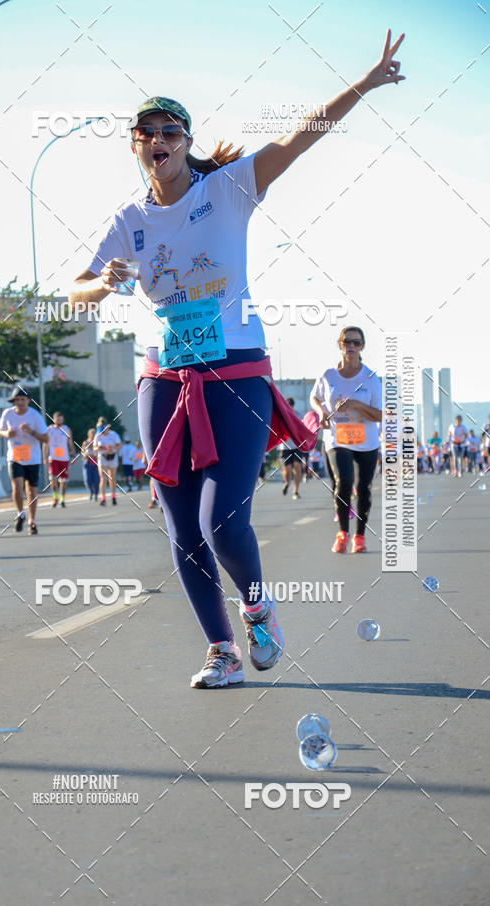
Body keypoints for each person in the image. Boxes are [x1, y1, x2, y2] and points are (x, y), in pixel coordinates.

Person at [68, 32, 405, 687]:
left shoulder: (227, 190)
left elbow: (304, 135)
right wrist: (100, 282)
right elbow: (75, 294)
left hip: (237, 371)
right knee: (179, 523)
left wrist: (366, 82)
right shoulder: (127, 220)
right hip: (163, 378)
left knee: (220, 519)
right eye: (146, 131)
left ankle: (257, 606)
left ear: (186, 142)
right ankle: (221, 649)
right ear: (135, 146)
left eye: (170, 129)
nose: (158, 138)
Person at [311, 326, 383, 553]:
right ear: (340, 344)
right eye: (347, 341)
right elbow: (314, 397)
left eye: (356, 342)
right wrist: (321, 412)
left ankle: (360, 536)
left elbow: (380, 414)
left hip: (367, 441)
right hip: (336, 438)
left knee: (364, 488)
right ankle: (342, 533)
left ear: (362, 347)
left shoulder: (370, 378)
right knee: (344, 482)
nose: (351, 346)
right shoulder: (328, 375)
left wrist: (356, 405)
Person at [0, 386, 48, 535]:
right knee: (16, 486)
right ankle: (20, 513)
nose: (20, 402)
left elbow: (46, 438)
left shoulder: (35, 416)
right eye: (17, 400)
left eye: (22, 399)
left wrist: (31, 432)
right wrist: (7, 433)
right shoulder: (8, 413)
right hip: (15, 456)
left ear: (28, 401)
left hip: (33, 457)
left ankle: (32, 521)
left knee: (32, 491)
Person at [44, 411, 75, 508]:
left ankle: (62, 499)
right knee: (53, 479)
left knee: (63, 481)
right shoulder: (49, 429)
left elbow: (70, 443)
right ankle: (55, 497)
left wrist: (73, 456)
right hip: (53, 458)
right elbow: (45, 445)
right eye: (57, 419)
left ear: (63, 420)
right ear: (54, 419)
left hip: (64, 459)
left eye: (61, 419)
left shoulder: (66, 429)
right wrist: (44, 457)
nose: (59, 421)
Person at [279, 398, 305, 499]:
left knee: (297, 466)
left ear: (293, 406)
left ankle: (295, 491)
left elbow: (303, 428)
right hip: (285, 447)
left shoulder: (299, 415)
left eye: (290, 407)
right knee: (288, 470)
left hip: (296, 446)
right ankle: (286, 483)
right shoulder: (281, 415)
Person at [93, 417, 121, 506]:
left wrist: (113, 449)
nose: (102, 434)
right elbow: (94, 448)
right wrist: (102, 448)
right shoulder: (97, 435)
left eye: (103, 431)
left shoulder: (113, 434)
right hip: (102, 457)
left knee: (112, 478)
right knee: (103, 477)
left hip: (112, 457)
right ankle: (103, 498)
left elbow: (119, 445)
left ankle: (113, 496)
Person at [81, 428, 100, 500]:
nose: (93, 435)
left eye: (94, 434)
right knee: (88, 480)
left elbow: (99, 452)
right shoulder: (85, 442)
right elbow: (83, 452)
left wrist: (94, 455)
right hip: (88, 463)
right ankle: (91, 491)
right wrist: (84, 455)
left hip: (96, 463)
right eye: (91, 434)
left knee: (96, 480)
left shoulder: (97, 443)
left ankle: (96, 494)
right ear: (88, 435)